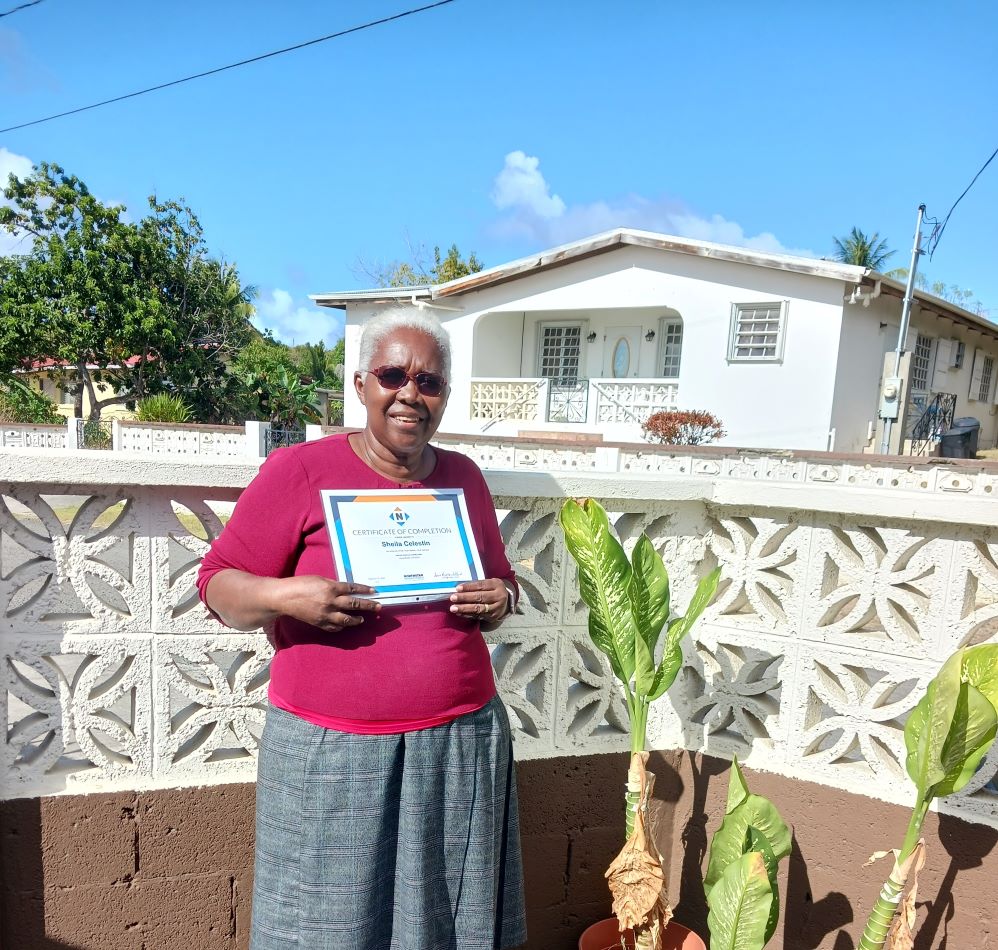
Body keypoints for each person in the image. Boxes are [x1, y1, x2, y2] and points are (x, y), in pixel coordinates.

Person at [196, 309, 526, 950]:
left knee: (447, 922)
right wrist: (291, 597)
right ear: (361, 385)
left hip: (461, 740)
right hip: (331, 749)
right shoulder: (302, 471)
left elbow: (504, 580)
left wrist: (500, 598)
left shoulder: (464, 477)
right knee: (324, 926)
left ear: (445, 396)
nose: (410, 394)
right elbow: (217, 583)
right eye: (393, 375)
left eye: (428, 382)